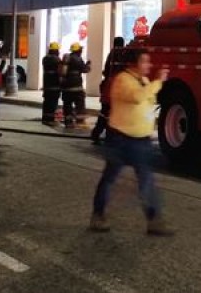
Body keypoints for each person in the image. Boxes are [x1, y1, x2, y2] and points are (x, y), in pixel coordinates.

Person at [90, 48, 172, 236]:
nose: (149, 65)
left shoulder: (142, 80)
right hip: (121, 139)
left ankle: (154, 220)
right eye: (145, 61)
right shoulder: (122, 80)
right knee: (109, 178)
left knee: (146, 180)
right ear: (133, 64)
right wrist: (158, 82)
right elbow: (137, 97)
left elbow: (147, 100)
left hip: (140, 141)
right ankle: (98, 215)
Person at [90, 36, 125, 144]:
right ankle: (109, 137)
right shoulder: (122, 55)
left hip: (108, 87)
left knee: (105, 113)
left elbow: (105, 71)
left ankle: (97, 134)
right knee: (112, 114)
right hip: (115, 88)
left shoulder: (111, 54)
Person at [60, 42, 91, 128]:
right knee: (80, 105)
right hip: (76, 88)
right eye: (81, 50)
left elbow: (63, 72)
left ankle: (68, 122)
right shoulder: (78, 59)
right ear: (78, 50)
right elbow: (85, 70)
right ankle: (80, 122)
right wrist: (88, 65)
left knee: (67, 105)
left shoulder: (67, 58)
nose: (81, 51)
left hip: (66, 88)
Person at [41, 42, 62, 125]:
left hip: (47, 85)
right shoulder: (57, 59)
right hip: (55, 85)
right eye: (58, 50)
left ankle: (45, 119)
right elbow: (60, 71)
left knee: (46, 102)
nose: (59, 52)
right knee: (53, 103)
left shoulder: (45, 58)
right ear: (55, 50)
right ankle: (50, 120)